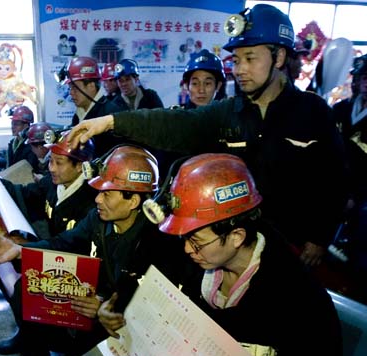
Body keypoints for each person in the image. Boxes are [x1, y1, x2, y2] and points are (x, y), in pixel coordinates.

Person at [67, 4, 347, 269]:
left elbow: (335, 181)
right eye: (236, 60)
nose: (240, 69)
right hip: (233, 247)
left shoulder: (314, 113)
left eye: (250, 58)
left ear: (280, 57)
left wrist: (320, 238)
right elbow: (174, 124)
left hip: (292, 248)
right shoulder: (228, 113)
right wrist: (110, 121)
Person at [139, 153, 342, 356]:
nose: (187, 249)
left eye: (196, 241)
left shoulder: (299, 303)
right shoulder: (200, 264)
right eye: (184, 238)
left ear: (236, 236)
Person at [0, 145, 182, 356]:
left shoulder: (157, 242)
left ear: (133, 201)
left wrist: (105, 306)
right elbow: (63, 243)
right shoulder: (97, 219)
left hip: (125, 325)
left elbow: (160, 310)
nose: (97, 198)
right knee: (26, 289)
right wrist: (20, 251)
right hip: (91, 305)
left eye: (107, 194)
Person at [0, 131, 99, 356]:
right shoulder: (54, 184)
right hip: (56, 252)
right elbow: (26, 193)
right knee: (3, 268)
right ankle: (26, 331)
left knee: (24, 287)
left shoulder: (91, 200)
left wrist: (24, 249)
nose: (51, 168)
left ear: (81, 166)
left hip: (78, 269)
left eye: (59, 162)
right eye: (50, 161)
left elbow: (70, 244)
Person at [332, 55, 367, 301]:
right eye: (362, 77)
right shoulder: (340, 110)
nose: (364, 83)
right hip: (332, 188)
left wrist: (356, 196)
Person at [64, 56, 125, 156]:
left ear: (91, 86)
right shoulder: (78, 116)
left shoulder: (111, 115)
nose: (71, 93)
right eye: (70, 88)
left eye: (75, 87)